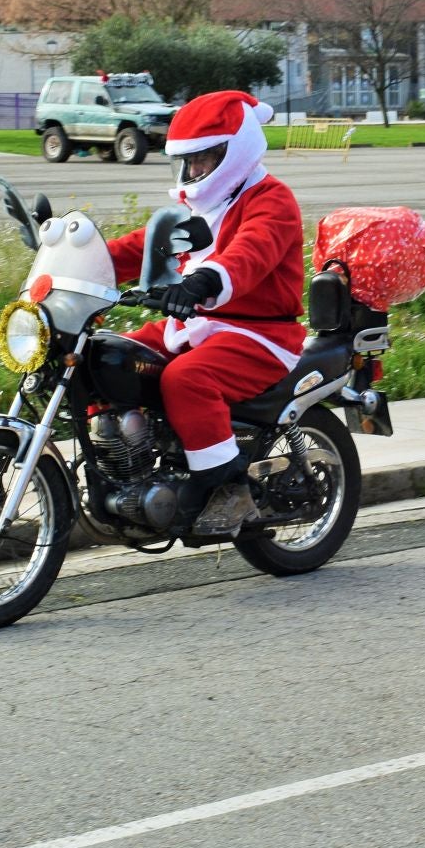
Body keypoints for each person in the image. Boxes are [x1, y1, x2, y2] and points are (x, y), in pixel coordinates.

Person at [104, 90, 304, 536]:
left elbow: (251, 252)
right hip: (195, 325)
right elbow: (143, 246)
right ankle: (127, 460)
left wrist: (202, 282)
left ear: (234, 152)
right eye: (187, 162)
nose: (192, 172)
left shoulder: (271, 200)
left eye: (203, 160)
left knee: (185, 379)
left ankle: (224, 485)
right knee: (108, 355)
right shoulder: (200, 207)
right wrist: (76, 255)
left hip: (259, 334)